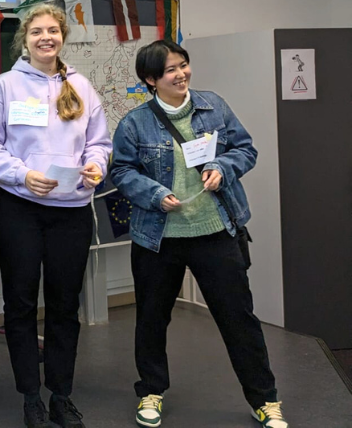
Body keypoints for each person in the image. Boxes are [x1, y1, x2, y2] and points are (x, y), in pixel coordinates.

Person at [109, 40, 287, 428]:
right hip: (158, 239)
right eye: (170, 70)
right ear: (151, 80)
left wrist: (224, 166)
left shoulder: (213, 106)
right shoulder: (135, 123)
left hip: (215, 231)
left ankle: (265, 400)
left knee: (239, 321)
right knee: (152, 320)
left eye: (184, 65)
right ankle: (151, 392)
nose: (181, 74)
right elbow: (120, 172)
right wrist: (155, 195)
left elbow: (245, 148)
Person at [0, 2, 111, 428]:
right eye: (37, 31)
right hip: (19, 209)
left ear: (62, 36)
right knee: (19, 305)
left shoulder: (82, 86)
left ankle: (60, 394)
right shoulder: (4, 86)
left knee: (63, 306)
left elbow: (99, 143)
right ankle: (29, 397)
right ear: (25, 38)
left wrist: (97, 166)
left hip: (71, 212)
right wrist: (23, 175)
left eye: (52, 31)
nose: (45, 38)